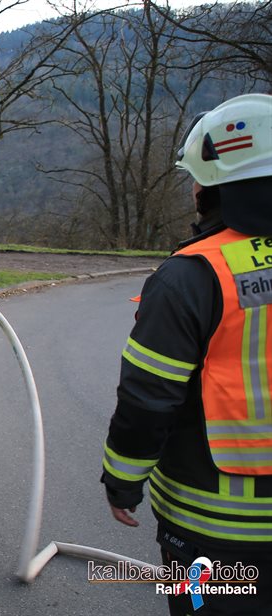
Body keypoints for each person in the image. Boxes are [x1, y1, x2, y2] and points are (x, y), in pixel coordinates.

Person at [101, 93, 272, 615]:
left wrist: (122, 481)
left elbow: (148, 399)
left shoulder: (192, 276)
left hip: (218, 524)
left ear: (211, 185)